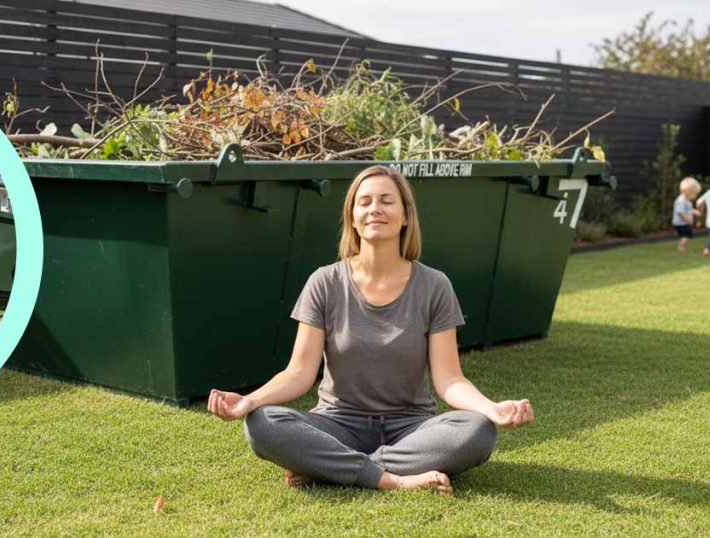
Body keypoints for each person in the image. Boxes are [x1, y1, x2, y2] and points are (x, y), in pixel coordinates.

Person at [208, 165, 534, 495]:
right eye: (364, 202)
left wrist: (489, 408)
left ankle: (332, 467)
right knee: (262, 424)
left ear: (406, 215)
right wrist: (249, 402)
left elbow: (449, 379)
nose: (374, 209)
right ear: (352, 217)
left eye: (386, 201)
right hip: (338, 423)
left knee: (478, 430)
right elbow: (298, 373)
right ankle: (389, 479)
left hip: (411, 426)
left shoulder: (435, 285)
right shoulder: (324, 282)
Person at [672, 177, 701, 252]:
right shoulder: (681, 200)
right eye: (695, 193)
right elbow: (680, 212)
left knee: (684, 236)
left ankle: (683, 247)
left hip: (683, 223)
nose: (695, 196)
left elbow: (687, 210)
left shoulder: (686, 200)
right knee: (686, 235)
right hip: (681, 223)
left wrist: (694, 211)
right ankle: (681, 248)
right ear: (689, 192)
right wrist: (687, 220)